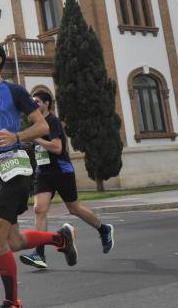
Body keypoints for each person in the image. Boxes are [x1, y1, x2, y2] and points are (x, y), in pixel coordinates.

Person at [0, 40, 77, 308]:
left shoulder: (14, 91)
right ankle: (59, 239)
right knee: (12, 241)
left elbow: (42, 126)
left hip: (16, 166)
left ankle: (14, 306)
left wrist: (16, 136)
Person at [19, 91, 114, 270]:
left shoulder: (52, 122)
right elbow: (37, 145)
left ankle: (104, 229)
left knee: (74, 208)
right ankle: (39, 254)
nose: (34, 104)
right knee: (39, 209)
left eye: (37, 101)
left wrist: (35, 138)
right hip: (43, 172)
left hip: (61, 171)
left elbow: (57, 147)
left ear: (47, 103)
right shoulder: (35, 123)